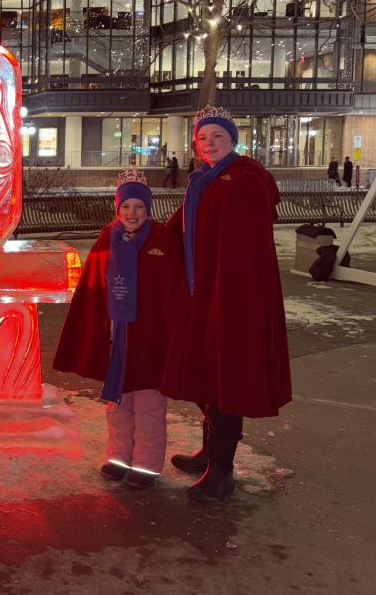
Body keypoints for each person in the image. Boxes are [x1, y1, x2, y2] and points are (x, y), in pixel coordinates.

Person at [164, 106, 291, 503]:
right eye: (202, 138)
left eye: (217, 136)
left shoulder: (244, 179)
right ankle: (209, 455)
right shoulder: (204, 180)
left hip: (234, 297)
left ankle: (221, 473)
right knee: (204, 373)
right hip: (203, 293)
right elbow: (179, 230)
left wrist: (231, 292)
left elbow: (247, 248)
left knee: (225, 380)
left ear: (233, 140)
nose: (208, 143)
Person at [53, 170, 187, 490]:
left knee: (149, 404)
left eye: (138, 206)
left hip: (151, 338)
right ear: (118, 208)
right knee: (118, 403)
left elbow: (174, 290)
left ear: (148, 208)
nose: (131, 213)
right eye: (125, 206)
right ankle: (119, 458)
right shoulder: (108, 238)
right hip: (118, 337)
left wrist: (174, 333)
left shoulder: (161, 239)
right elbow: (93, 287)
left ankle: (146, 465)